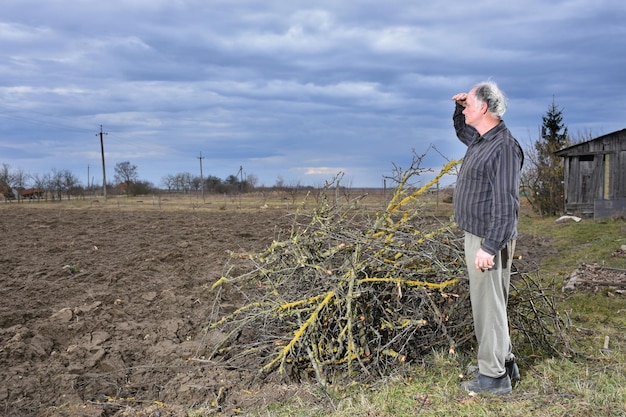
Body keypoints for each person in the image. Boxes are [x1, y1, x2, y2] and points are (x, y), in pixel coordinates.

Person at [451, 81, 524, 395]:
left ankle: (492, 378)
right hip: (480, 234)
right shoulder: (483, 140)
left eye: (469, 105)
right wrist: (458, 108)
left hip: (488, 238)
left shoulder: (504, 147)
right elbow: (461, 130)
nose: (466, 109)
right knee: (494, 303)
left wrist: (489, 247)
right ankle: (502, 363)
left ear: (483, 108)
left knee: (487, 306)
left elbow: (506, 202)